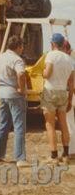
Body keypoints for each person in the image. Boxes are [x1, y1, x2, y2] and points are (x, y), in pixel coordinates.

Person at [0, 35, 30, 167]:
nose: (22, 49)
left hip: (2, 93)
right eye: (22, 46)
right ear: (18, 47)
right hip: (14, 94)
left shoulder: (0, 57)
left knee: (3, 125)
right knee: (19, 126)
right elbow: (21, 74)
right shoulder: (17, 59)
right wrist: (21, 89)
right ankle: (20, 158)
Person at [41, 33, 74, 165]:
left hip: (50, 91)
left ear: (53, 44)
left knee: (50, 124)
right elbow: (71, 82)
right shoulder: (68, 59)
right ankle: (65, 155)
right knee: (63, 124)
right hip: (63, 92)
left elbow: (47, 73)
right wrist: (70, 99)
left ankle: (54, 156)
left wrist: (42, 73)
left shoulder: (51, 55)